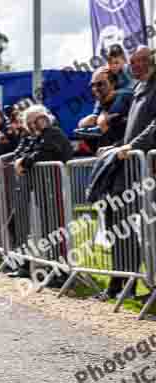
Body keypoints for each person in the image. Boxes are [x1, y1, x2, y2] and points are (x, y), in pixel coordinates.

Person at [95, 46, 156, 300]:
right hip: (135, 168)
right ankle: (137, 285)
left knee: (151, 229)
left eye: (139, 62)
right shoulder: (139, 88)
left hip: (149, 164)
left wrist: (133, 146)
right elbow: (133, 128)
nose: (134, 67)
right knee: (135, 228)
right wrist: (121, 145)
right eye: (132, 62)